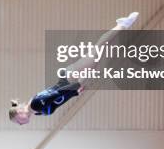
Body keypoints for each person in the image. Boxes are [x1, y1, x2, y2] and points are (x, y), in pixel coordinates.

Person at [9, 12, 139, 125]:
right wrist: (75, 93)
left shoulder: (36, 104)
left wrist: (76, 87)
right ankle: (122, 29)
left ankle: (123, 24)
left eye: (18, 121)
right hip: (71, 81)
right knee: (100, 53)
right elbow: (59, 101)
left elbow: (58, 92)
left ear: (19, 113)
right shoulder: (36, 111)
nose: (21, 124)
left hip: (70, 79)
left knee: (99, 49)